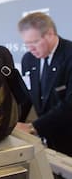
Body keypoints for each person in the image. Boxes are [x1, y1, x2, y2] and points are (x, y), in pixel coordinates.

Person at [16, 12, 72, 156]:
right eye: (27, 44)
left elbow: (69, 104)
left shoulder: (69, 55)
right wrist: (15, 124)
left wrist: (33, 126)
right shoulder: (28, 59)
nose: (31, 49)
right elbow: (28, 97)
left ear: (50, 34)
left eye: (34, 42)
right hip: (47, 138)